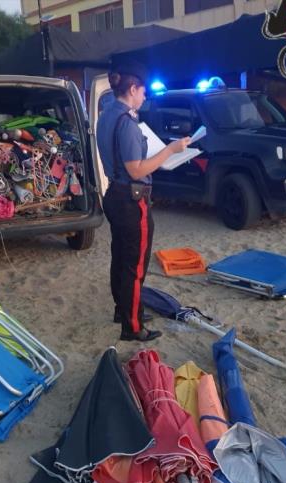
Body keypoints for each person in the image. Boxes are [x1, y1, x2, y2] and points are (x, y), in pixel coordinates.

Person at [97, 61, 191, 342]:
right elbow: (137, 169)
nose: (145, 96)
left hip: (115, 193)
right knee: (135, 264)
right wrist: (171, 150)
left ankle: (123, 310)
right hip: (131, 199)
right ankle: (133, 326)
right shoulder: (126, 122)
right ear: (133, 88)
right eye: (143, 91)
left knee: (120, 258)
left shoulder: (107, 115)